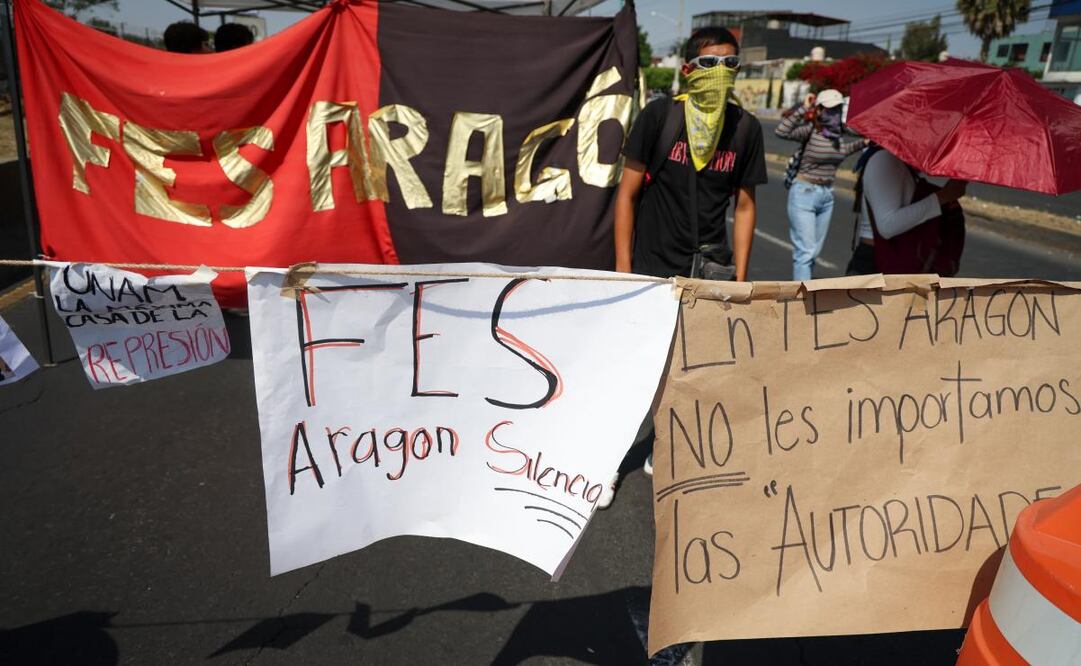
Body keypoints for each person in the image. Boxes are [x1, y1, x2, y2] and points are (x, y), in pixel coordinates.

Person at [776, 89, 866, 281]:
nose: (833, 113)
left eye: (837, 109)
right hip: (804, 192)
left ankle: (804, 292)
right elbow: (781, 131)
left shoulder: (839, 134)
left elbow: (846, 149)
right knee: (805, 252)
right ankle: (802, 301)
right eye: (829, 109)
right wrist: (804, 109)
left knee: (813, 252)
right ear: (820, 110)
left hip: (826, 196)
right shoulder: (810, 131)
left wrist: (863, 142)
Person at [845, 146, 967, 275]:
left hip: (894, 260)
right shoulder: (884, 159)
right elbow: (887, 225)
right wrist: (942, 197)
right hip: (876, 263)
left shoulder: (897, 160)